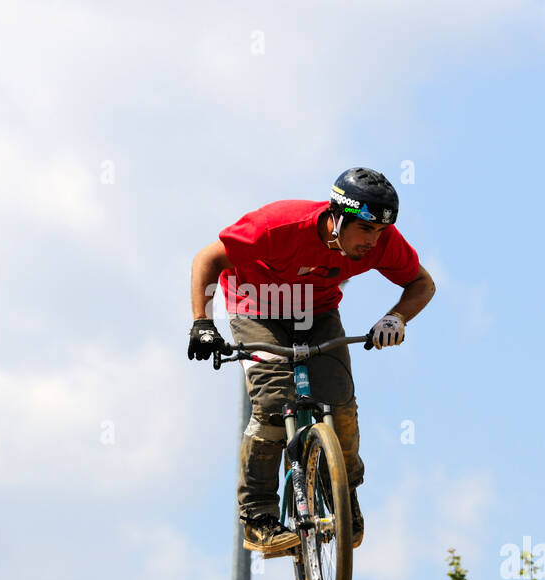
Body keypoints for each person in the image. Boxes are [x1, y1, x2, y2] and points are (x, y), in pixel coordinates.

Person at [187, 167, 436, 555]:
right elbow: (208, 259)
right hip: (255, 308)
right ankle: (258, 519)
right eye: (366, 231)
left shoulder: (383, 243)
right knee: (272, 405)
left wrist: (395, 317)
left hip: (315, 311)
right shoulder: (277, 227)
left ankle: (342, 490)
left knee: (341, 405)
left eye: (380, 233)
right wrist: (202, 323)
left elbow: (421, 283)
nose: (373, 242)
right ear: (336, 219)